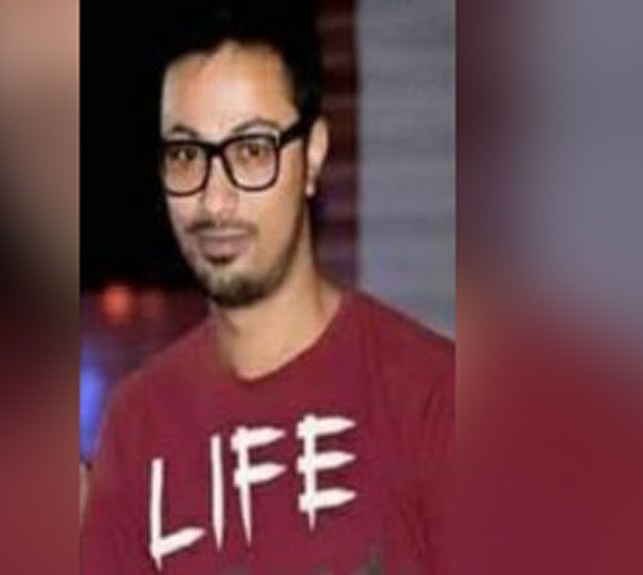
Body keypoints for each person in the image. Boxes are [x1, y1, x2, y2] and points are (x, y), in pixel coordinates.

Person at [81, 2, 454, 573]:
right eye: (186, 155)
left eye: (252, 151)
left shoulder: (430, 399)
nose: (214, 200)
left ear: (313, 156)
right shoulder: (139, 426)